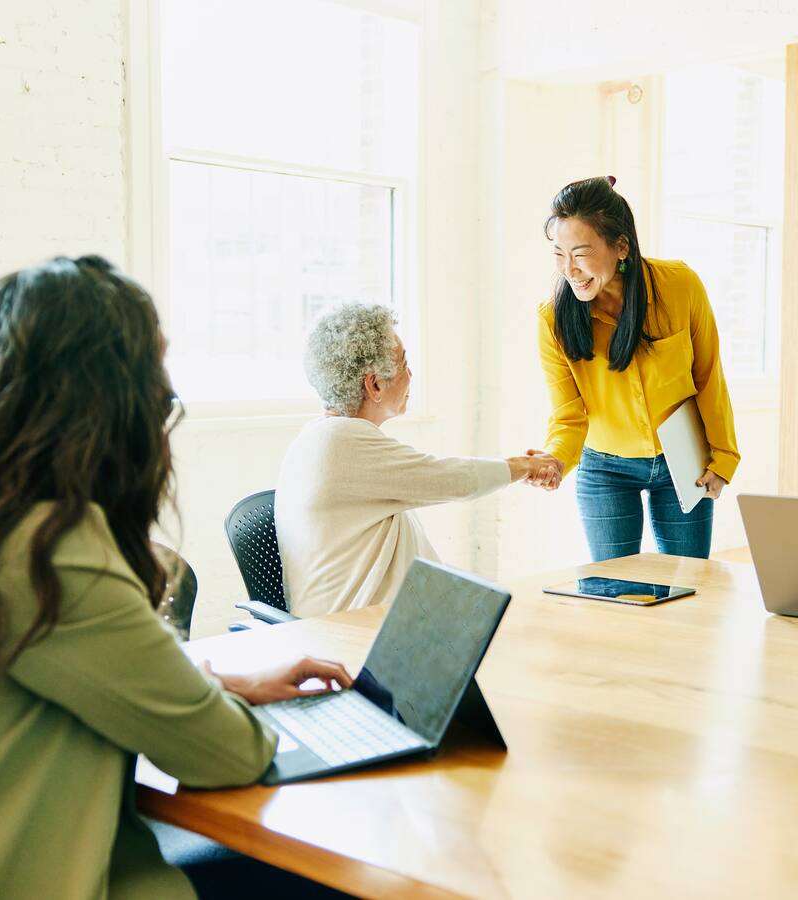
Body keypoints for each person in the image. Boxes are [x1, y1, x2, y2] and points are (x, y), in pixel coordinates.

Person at [0, 256, 354, 900]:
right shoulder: (55, 554)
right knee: (343, 866)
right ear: (114, 403)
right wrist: (222, 707)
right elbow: (227, 754)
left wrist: (218, 682)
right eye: (156, 376)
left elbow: (75, 681)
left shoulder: (3, 523)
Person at [275, 303, 559, 616]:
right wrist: (527, 465)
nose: (411, 375)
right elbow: (453, 479)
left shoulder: (320, 437)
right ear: (375, 385)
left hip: (373, 622)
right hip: (351, 632)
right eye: (404, 364)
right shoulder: (341, 442)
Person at [532, 176, 739, 561]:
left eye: (580, 253)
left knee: (688, 586)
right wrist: (555, 460)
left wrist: (723, 457)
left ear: (621, 246)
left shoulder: (680, 286)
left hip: (684, 463)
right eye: (559, 254)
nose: (569, 269)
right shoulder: (553, 321)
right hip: (605, 469)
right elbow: (568, 415)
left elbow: (708, 376)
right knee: (615, 591)